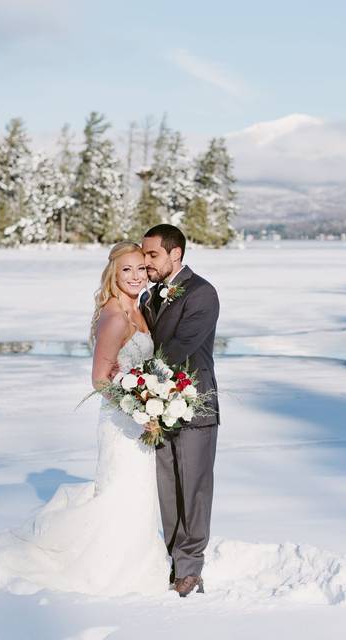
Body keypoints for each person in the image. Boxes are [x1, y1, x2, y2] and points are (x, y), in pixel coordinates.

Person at [0, 241, 170, 596]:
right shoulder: (113, 316)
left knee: (139, 493)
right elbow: (98, 380)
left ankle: (137, 559)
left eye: (141, 268)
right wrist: (138, 411)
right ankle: (112, 566)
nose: (136, 276)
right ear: (113, 273)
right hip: (122, 422)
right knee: (122, 491)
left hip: (141, 417)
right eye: (127, 270)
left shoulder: (138, 309)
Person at [141, 224, 221, 597]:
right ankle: (175, 563)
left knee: (194, 489)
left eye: (152, 254)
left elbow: (182, 346)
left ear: (176, 254)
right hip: (156, 407)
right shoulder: (147, 298)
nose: (146, 262)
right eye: (144, 254)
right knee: (168, 489)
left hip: (194, 404)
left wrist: (139, 380)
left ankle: (191, 570)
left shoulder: (202, 293)